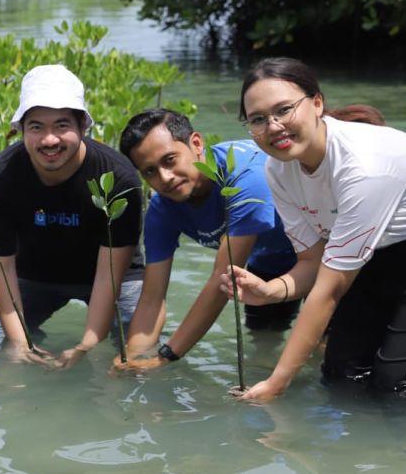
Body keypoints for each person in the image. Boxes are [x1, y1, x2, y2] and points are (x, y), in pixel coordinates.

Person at [226, 57, 406, 400]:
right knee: (342, 376)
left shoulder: (364, 166)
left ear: (317, 103)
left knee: (399, 387)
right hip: (375, 255)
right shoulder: (278, 171)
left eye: (284, 110)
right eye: (258, 119)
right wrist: (273, 290)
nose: (273, 127)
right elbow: (312, 263)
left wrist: (277, 382)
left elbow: (328, 292)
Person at [0, 64, 144, 367]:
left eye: (62, 126)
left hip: (110, 274)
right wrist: (20, 344)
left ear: (83, 125)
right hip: (35, 275)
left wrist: (86, 345)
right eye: (36, 127)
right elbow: (2, 272)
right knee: (8, 351)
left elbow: (108, 277)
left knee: (135, 351)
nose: (49, 140)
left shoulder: (118, 179)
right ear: (20, 130)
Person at [115, 109, 297, 369]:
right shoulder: (162, 210)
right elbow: (152, 298)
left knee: (331, 354)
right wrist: (131, 358)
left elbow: (221, 280)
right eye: (150, 171)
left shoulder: (246, 179)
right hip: (268, 261)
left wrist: (164, 357)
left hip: (324, 255)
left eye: (169, 160)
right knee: (264, 344)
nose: (164, 178)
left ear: (196, 144)